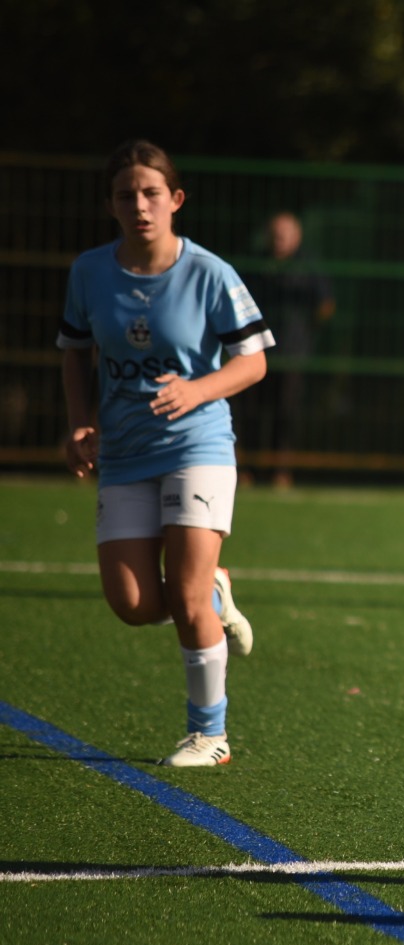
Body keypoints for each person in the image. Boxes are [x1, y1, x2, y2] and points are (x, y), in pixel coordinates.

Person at [57, 139, 272, 767]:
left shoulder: (209, 272)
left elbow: (253, 359)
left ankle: (209, 735)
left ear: (175, 200)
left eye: (152, 193)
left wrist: (197, 389)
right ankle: (214, 588)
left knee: (180, 598)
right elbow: (73, 350)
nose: (140, 205)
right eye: (127, 195)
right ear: (111, 206)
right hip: (123, 452)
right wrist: (78, 424)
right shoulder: (90, 272)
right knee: (131, 606)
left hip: (197, 446)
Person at [241, 210, 334, 488]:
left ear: (296, 237)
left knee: (286, 412)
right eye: (274, 235)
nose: (277, 241)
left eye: (283, 236)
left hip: (292, 352)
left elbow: (325, 305)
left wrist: (304, 332)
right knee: (252, 412)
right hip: (255, 352)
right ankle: (248, 468)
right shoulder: (257, 263)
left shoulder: (308, 266)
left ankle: (281, 471)